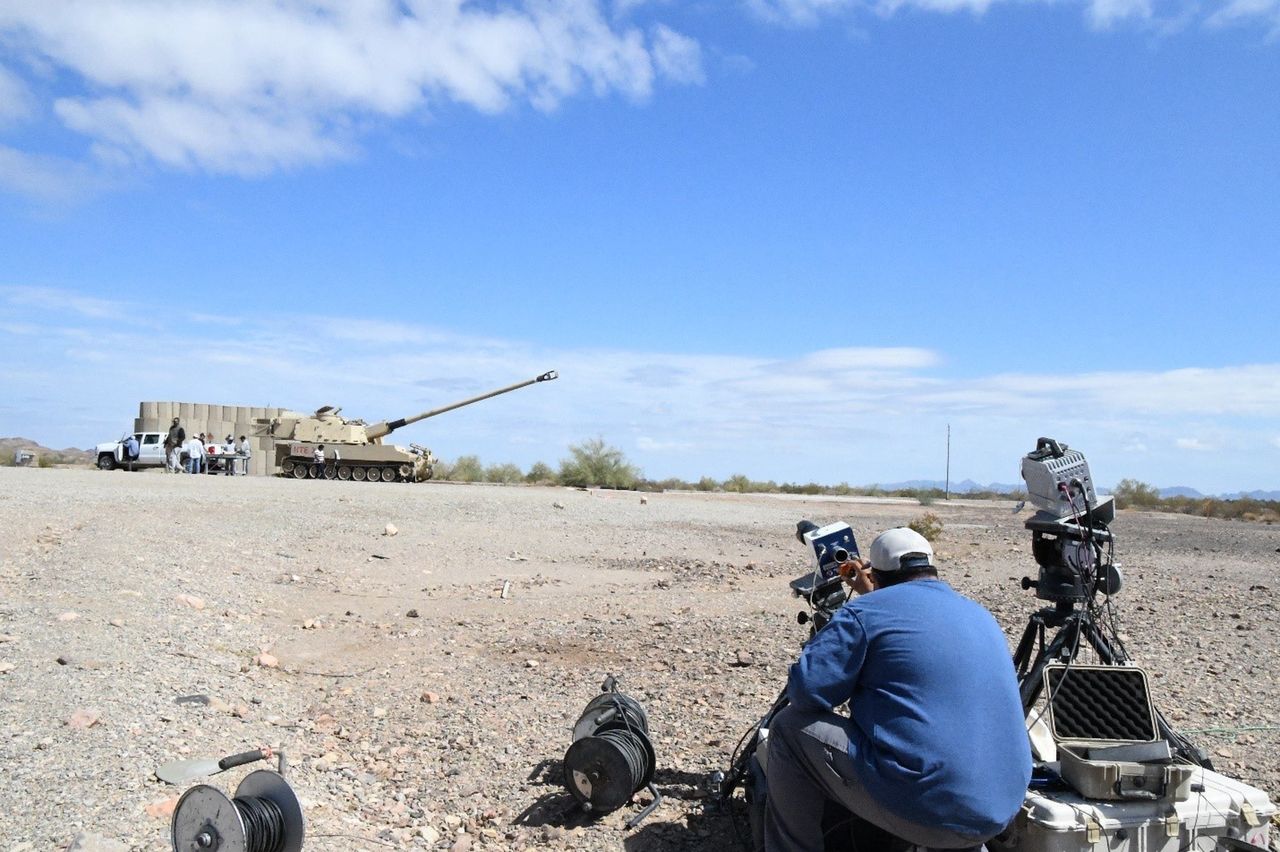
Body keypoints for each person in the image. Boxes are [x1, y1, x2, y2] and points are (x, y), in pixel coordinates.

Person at [764, 527, 1031, 852]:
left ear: (874, 574)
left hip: (928, 811)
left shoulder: (865, 613)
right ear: (931, 569)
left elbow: (806, 692)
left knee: (788, 729)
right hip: (999, 810)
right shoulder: (979, 615)